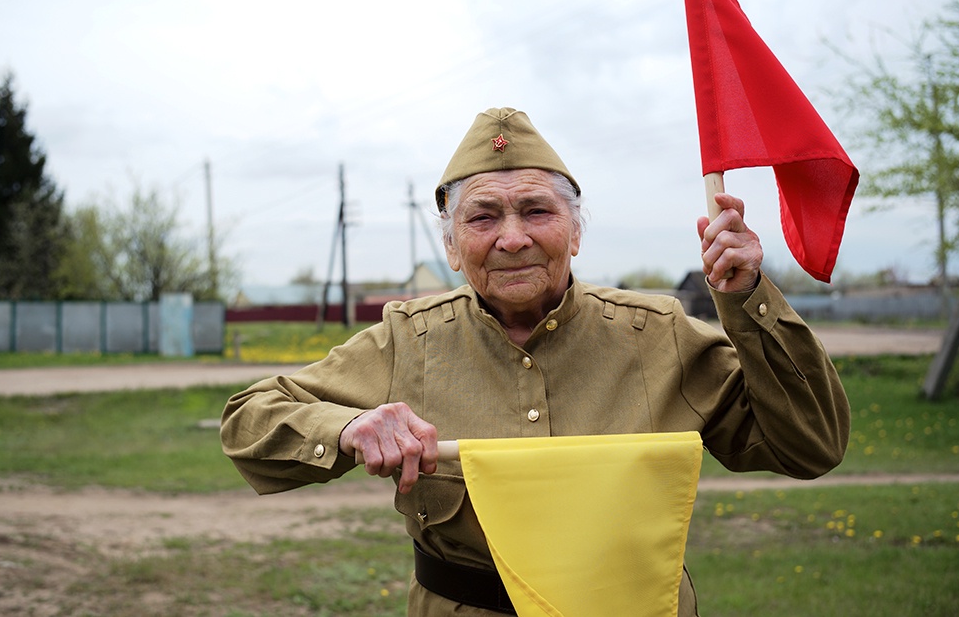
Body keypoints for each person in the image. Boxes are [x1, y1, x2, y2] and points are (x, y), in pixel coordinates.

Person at [221, 107, 850, 616]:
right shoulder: (406, 341)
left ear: (575, 233)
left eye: (537, 210)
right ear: (451, 244)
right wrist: (347, 429)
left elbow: (810, 445)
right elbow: (248, 421)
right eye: (483, 216)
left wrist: (748, 300)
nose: (513, 236)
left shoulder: (658, 335)